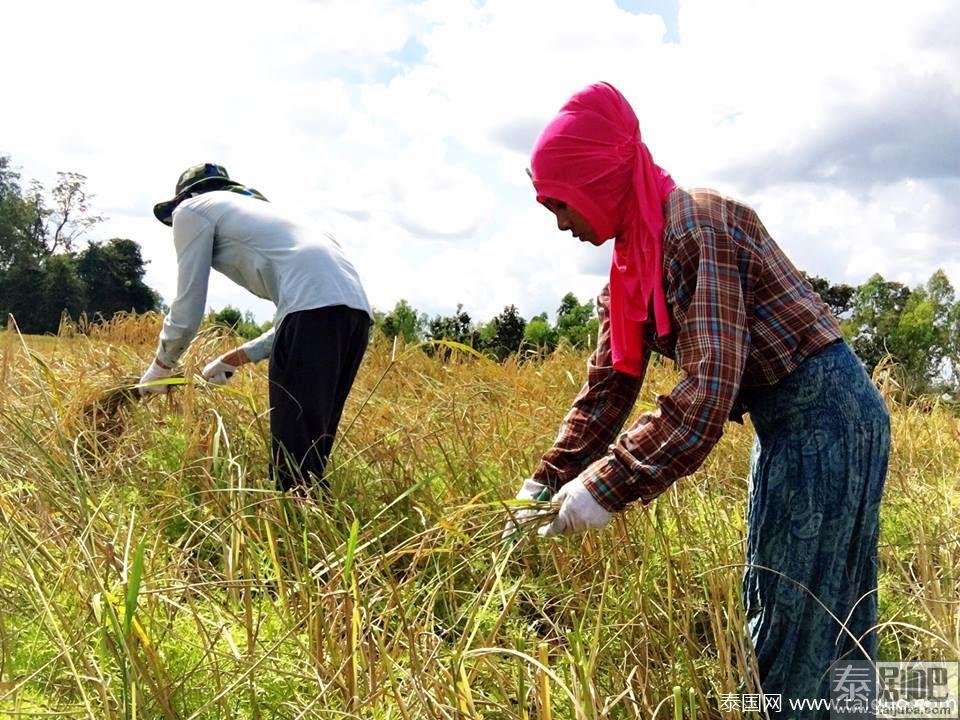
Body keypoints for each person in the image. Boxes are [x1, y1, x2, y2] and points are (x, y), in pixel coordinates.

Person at [511, 83, 890, 709]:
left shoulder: (694, 225)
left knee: (796, 609)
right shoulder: (632, 267)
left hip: (828, 414)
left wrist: (604, 487)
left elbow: (708, 391)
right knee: (814, 604)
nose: (561, 224)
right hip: (790, 420)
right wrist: (546, 482)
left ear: (598, 180)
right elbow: (608, 386)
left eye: (561, 203)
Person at [138, 163, 372, 492]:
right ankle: (318, 531)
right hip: (356, 319)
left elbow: (188, 305)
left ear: (186, 197)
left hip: (314, 316)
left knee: (292, 466)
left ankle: (296, 538)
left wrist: (162, 365)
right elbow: (311, 309)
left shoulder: (192, 209)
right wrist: (236, 357)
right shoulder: (284, 220)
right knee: (311, 453)